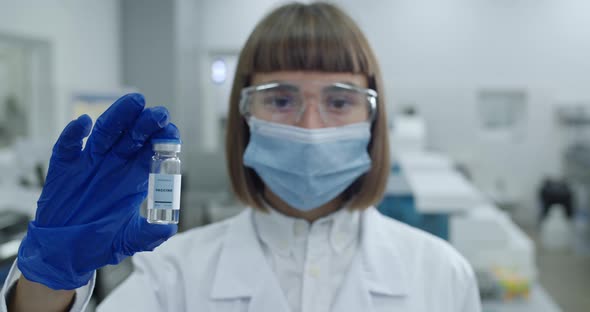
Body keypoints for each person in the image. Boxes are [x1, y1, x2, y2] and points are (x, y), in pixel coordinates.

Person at [1, 2, 481, 312]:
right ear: (243, 115)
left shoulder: (442, 275)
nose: (310, 126)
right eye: (280, 99)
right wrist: (48, 280)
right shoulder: (174, 275)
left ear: (373, 120)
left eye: (339, 101)